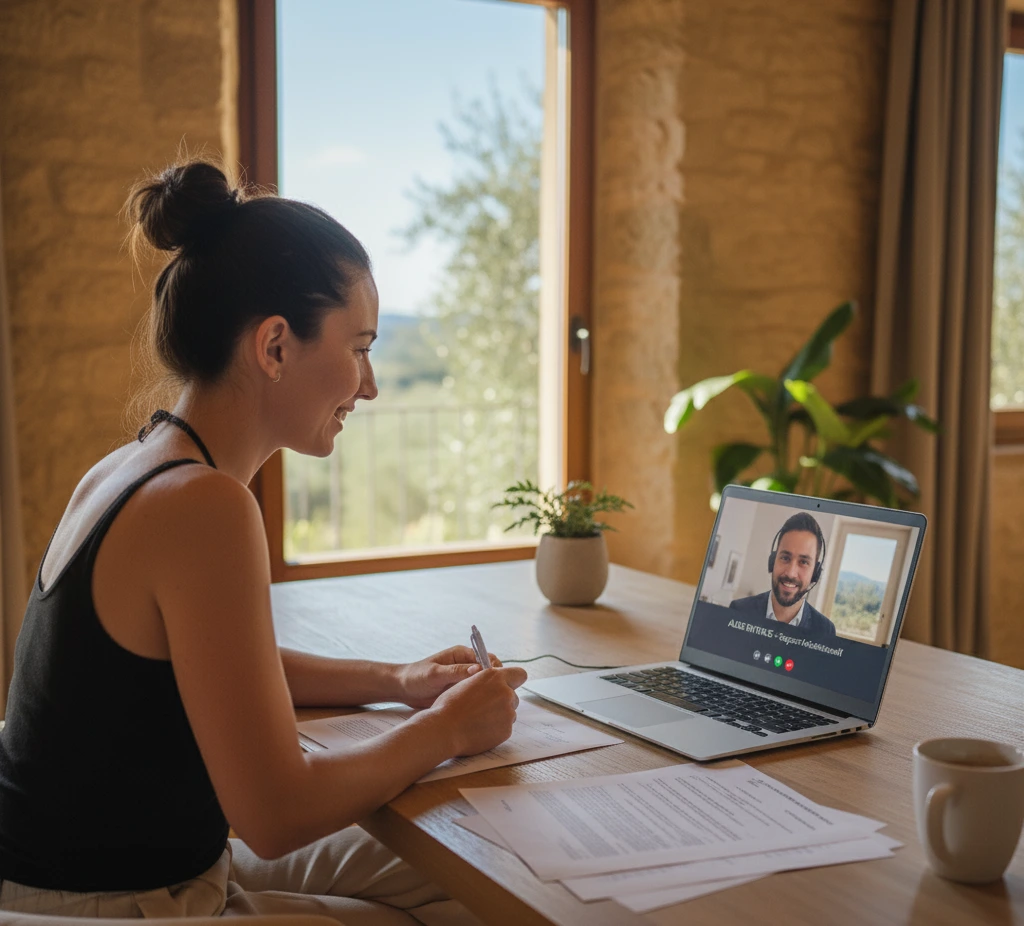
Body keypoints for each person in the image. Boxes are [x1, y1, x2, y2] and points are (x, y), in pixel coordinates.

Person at [0, 160, 527, 922]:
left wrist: (398, 679)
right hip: (113, 903)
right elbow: (276, 816)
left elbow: (216, 663)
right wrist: (445, 729)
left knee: (475, 869)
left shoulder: (139, 464)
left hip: (100, 863)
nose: (370, 386)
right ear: (275, 346)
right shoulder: (203, 504)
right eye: (359, 347)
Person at [728, 512, 837, 641]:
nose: (791, 573)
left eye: (803, 562)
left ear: (815, 572)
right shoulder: (738, 611)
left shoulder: (825, 631)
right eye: (785, 558)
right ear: (773, 561)